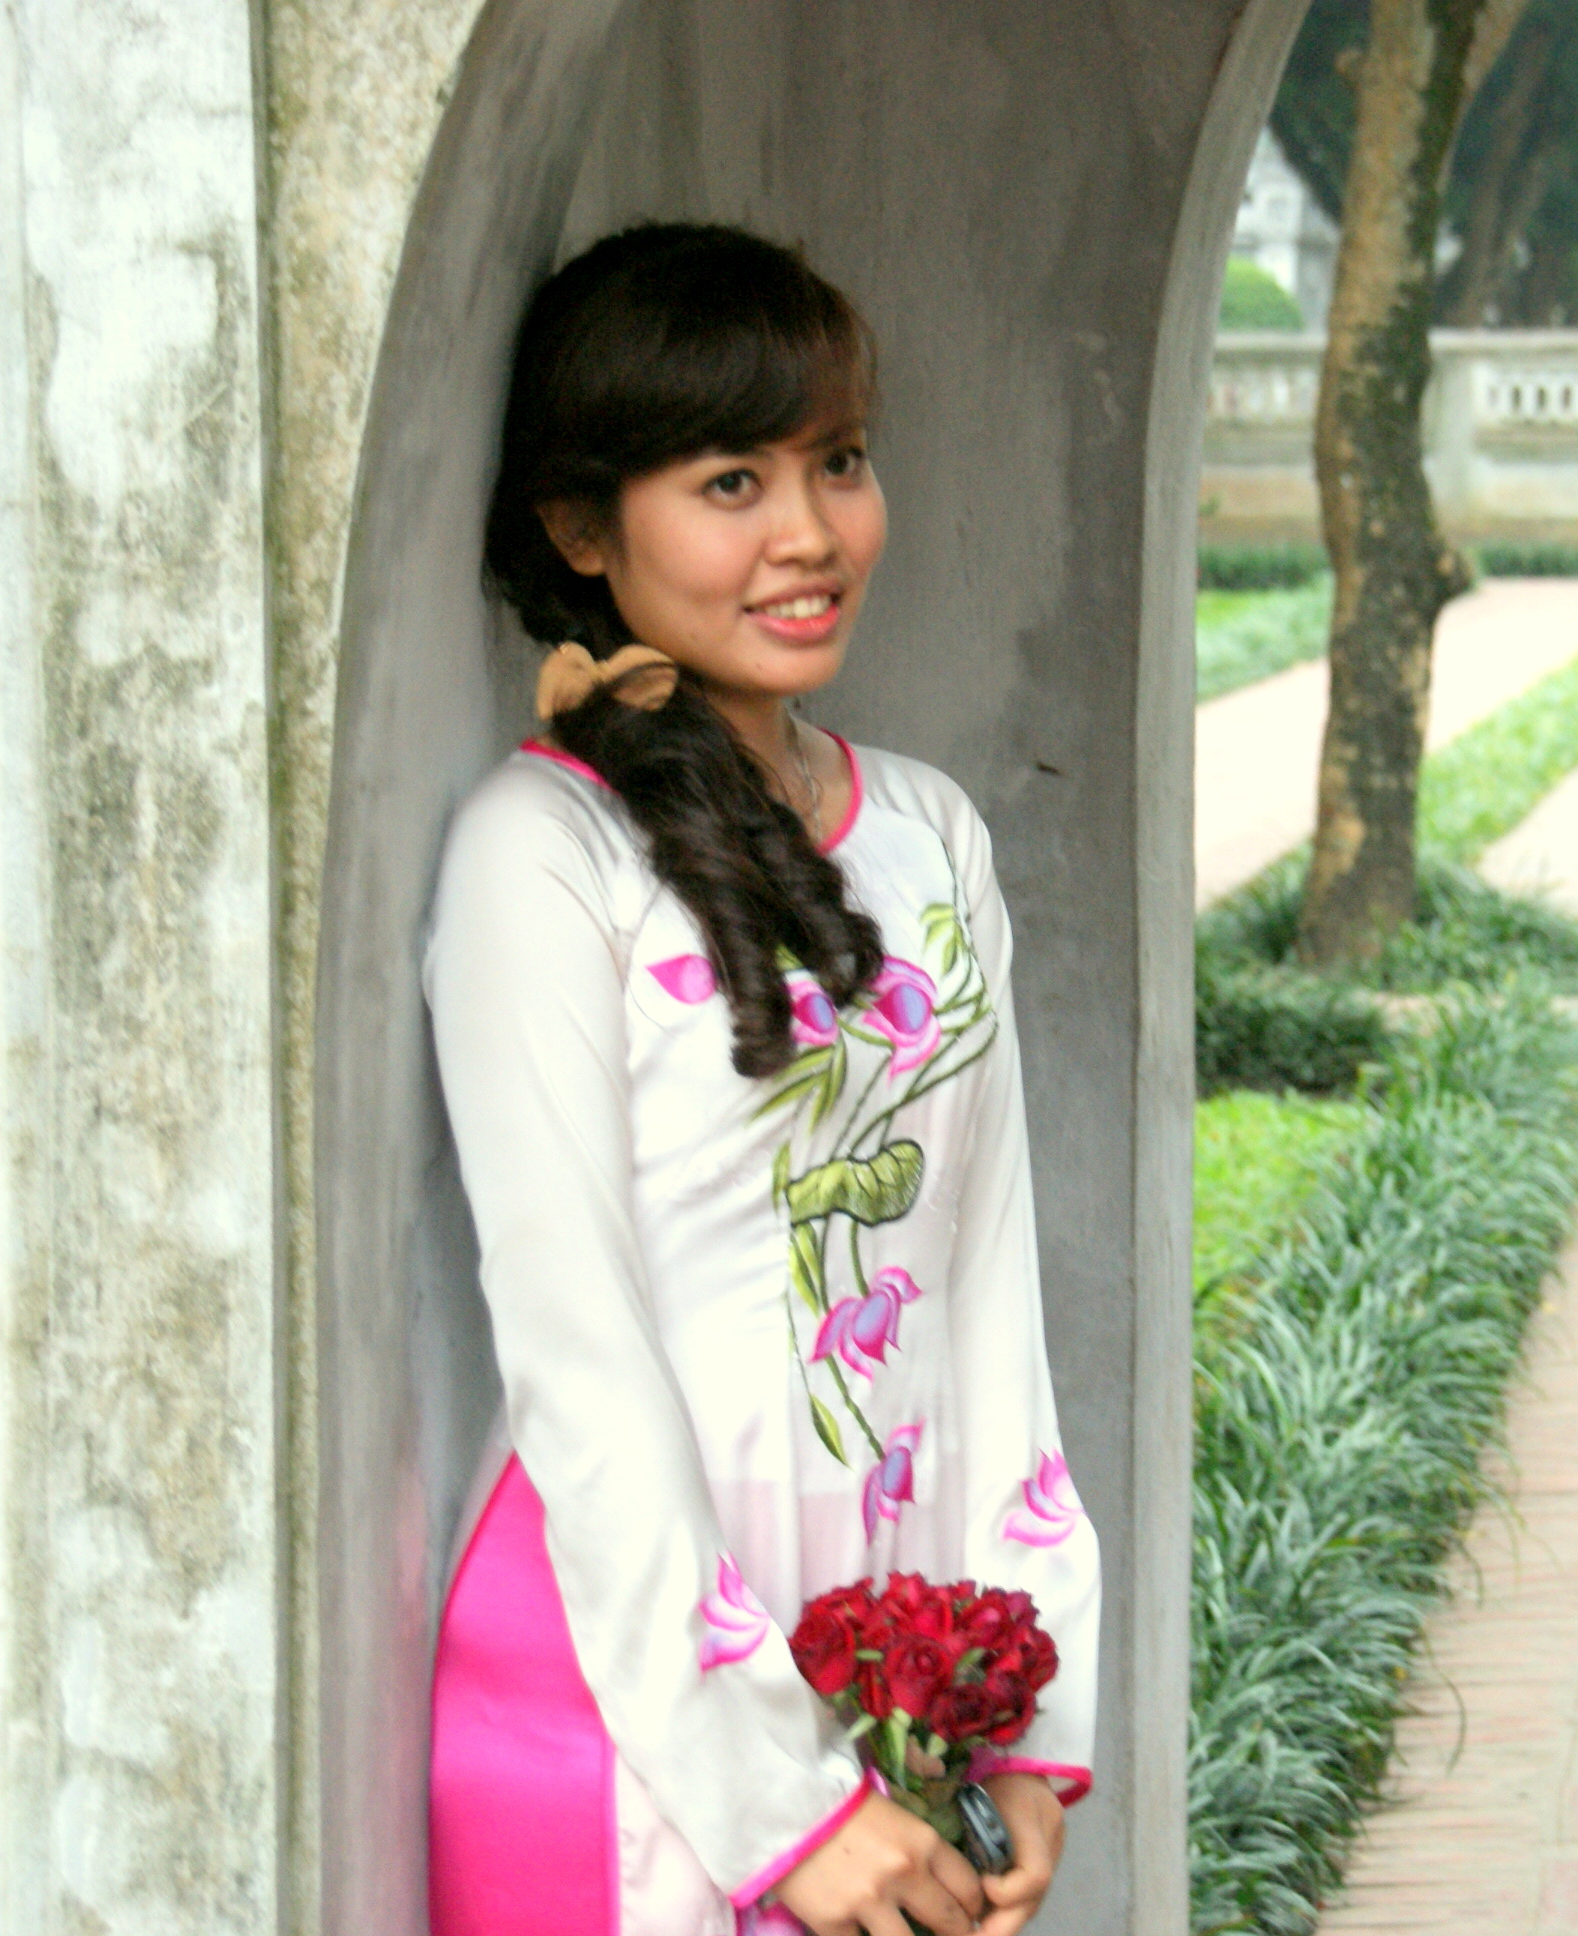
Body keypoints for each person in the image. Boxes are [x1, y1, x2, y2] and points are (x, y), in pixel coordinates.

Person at [422, 223, 1100, 1936]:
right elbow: (574, 1350)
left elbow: (987, 1296)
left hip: (897, 1666)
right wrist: (780, 1801)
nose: (809, 533)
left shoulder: (933, 832)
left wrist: (1016, 1705)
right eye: (732, 480)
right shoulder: (541, 853)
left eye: (838, 463)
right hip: (631, 1712)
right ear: (582, 527)